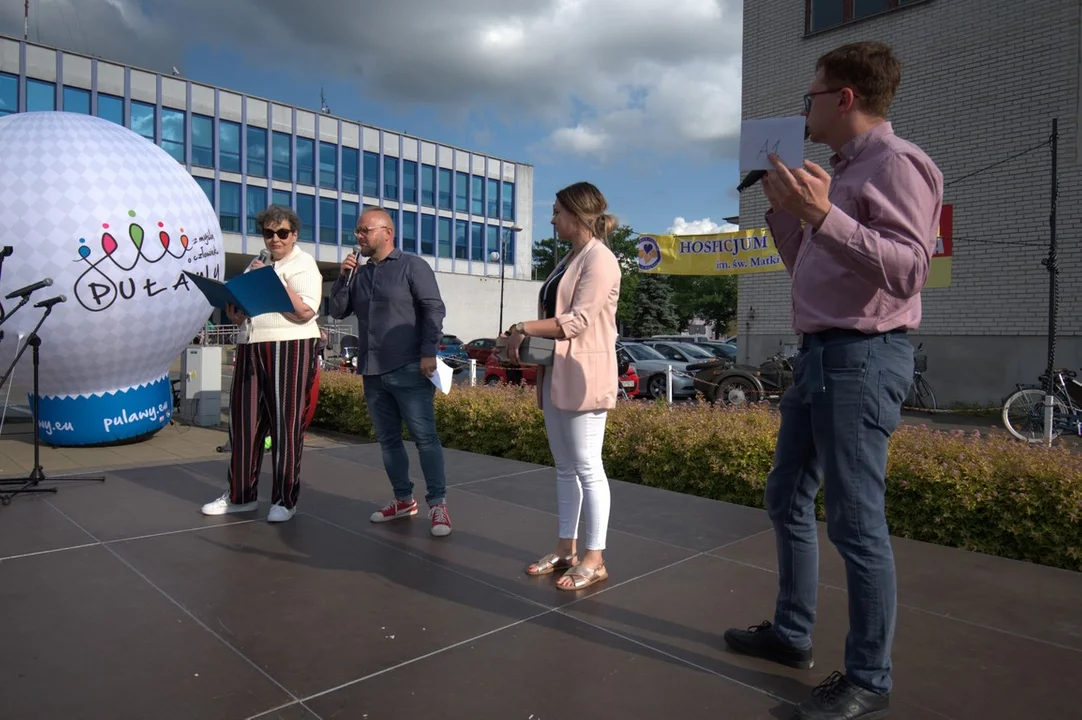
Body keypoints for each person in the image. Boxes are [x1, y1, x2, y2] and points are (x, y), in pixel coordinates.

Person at [721, 42, 943, 720]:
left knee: (855, 521)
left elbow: (909, 269)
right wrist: (788, 207)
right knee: (788, 496)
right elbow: (809, 267)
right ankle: (791, 635)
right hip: (819, 354)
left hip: (864, 356)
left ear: (845, 96)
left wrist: (824, 215)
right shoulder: (837, 173)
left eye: (810, 96)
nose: (802, 109)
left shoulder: (898, 164)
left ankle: (869, 678)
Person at [505, 181, 621, 590]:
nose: (552, 219)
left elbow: (578, 320)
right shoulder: (569, 259)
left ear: (576, 214)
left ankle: (595, 557)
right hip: (558, 372)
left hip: (586, 376)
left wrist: (522, 327)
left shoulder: (600, 259)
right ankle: (567, 548)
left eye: (556, 211)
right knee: (565, 467)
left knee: (589, 466)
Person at [328, 207, 452, 537]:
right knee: (388, 441)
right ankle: (403, 499)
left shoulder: (413, 266)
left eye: (364, 231)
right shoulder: (360, 274)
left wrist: (428, 352)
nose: (358, 237)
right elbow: (337, 311)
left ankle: (437, 504)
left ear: (387, 233)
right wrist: (343, 277)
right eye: (357, 231)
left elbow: (433, 309)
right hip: (372, 369)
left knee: (425, 438)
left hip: (410, 366)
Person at [201, 205, 323, 523]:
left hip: (290, 344)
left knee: (285, 424)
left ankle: (285, 499)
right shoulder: (258, 264)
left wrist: (271, 283)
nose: (275, 239)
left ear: (294, 234)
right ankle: (241, 496)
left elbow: (306, 312)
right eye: (269, 233)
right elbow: (239, 312)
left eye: (282, 233)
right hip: (250, 343)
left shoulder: (304, 264)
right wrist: (235, 310)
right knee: (244, 423)